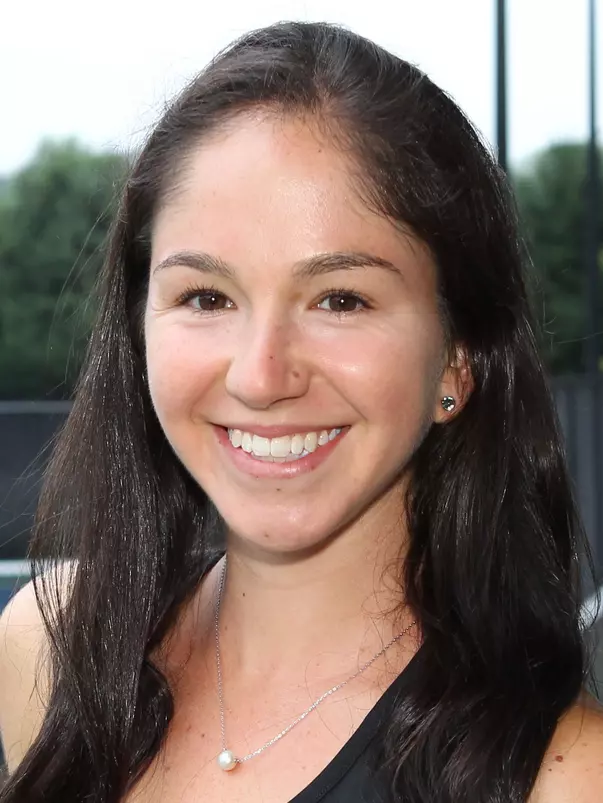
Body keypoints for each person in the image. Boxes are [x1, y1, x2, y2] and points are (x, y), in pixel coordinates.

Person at [0, 20, 602, 803]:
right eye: (206, 296)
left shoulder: (562, 775)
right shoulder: (47, 651)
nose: (260, 375)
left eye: (340, 299)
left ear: (457, 358)